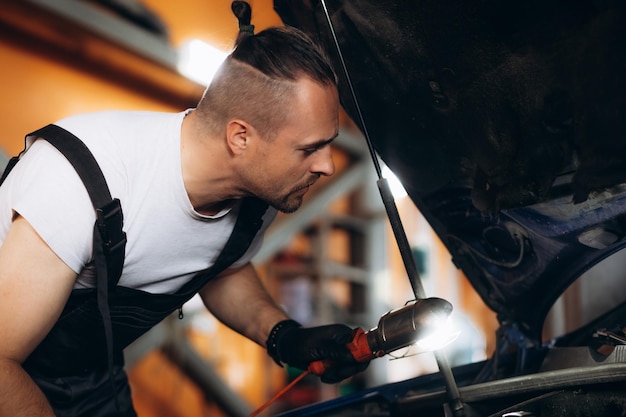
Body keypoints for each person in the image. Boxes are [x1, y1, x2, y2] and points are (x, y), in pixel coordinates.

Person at [0, 2, 368, 416]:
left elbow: (219, 266)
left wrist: (284, 336)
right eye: (310, 148)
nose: (328, 165)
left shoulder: (259, 191)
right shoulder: (83, 179)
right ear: (240, 138)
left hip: (95, 377)